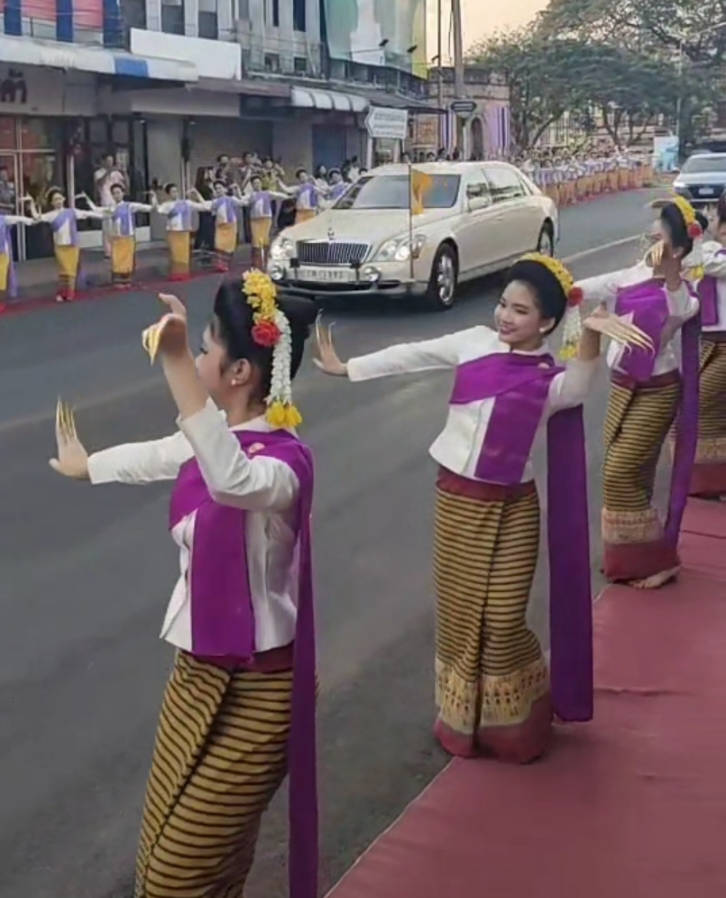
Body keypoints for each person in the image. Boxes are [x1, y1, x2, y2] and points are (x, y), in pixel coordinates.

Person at [315, 253, 649, 763]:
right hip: (457, 501)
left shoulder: (548, 377)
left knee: (504, 616)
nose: (505, 316)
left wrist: (592, 336)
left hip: (514, 507)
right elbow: (413, 355)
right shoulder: (472, 345)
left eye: (520, 310)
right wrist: (348, 368)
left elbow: (580, 386)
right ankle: (462, 721)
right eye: (503, 304)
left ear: (547, 322)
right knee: (460, 612)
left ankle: (515, 723)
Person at [48, 271, 319, 897]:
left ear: (239, 373)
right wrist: (89, 467)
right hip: (197, 673)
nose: (195, 357)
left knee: (180, 872)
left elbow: (233, 481)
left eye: (203, 347)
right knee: (172, 846)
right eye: (192, 346)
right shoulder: (211, 441)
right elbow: (161, 454)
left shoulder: (284, 465)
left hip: (264, 689)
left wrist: (173, 366)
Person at [576, 197, 703, 588]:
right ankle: (631, 560)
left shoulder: (682, 292)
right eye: (652, 229)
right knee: (633, 471)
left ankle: (658, 560)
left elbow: (683, 308)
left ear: (677, 248)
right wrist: (555, 291)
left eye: (660, 233)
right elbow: (584, 289)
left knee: (619, 471)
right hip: (624, 384)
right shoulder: (628, 276)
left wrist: (670, 273)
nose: (650, 235)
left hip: (659, 388)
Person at [688, 194, 726, 498]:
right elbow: (699, 262)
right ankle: (710, 480)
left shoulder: (713, 255)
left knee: (700, 398)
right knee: (709, 409)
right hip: (707, 340)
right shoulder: (712, 252)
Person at [29, 188, 101, 301]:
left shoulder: (72, 212)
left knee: (71, 271)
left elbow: (87, 214)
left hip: (72, 246)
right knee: (64, 270)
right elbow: (37, 218)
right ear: (52, 203)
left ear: (64, 199)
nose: (58, 201)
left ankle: (69, 293)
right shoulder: (51, 215)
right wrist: (31, 204)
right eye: (55, 200)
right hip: (60, 247)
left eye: (59, 198)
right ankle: (62, 291)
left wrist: (103, 215)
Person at [84, 184, 153, 288]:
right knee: (116, 259)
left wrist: (153, 198)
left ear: (123, 193)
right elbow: (96, 210)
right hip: (116, 238)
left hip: (128, 237)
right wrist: (87, 200)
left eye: (118, 192)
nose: (116, 195)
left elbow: (149, 208)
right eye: (114, 193)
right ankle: (118, 281)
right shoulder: (112, 209)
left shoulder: (130, 206)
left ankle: (127, 280)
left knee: (127, 259)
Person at [150, 184, 207, 282]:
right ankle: (175, 274)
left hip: (184, 232)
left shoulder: (187, 203)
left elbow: (204, 207)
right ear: (168, 194)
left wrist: (197, 194)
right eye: (172, 192)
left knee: (184, 254)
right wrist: (154, 197)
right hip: (173, 233)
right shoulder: (167, 205)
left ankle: (184, 274)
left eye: (176, 191)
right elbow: (156, 209)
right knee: (175, 254)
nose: (175, 194)